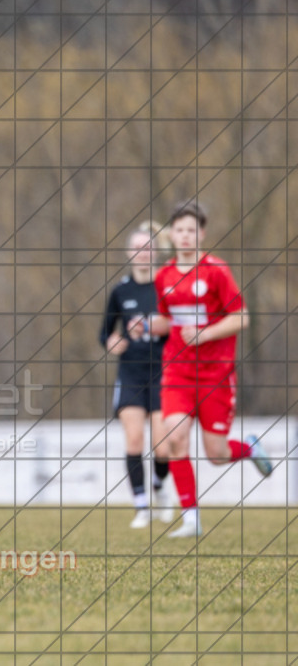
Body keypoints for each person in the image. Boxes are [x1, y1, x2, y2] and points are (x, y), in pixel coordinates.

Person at [130, 200, 272, 538]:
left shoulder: (216, 271)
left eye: (191, 230)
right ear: (172, 235)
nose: (185, 236)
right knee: (174, 439)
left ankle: (249, 448)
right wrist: (147, 325)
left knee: (217, 455)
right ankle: (191, 519)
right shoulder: (163, 276)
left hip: (215, 375)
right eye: (179, 230)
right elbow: (169, 320)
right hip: (177, 373)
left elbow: (242, 317)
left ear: (201, 234)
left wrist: (206, 333)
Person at [101, 222, 174, 529]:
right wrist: (113, 343)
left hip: (163, 371)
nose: (143, 254)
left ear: (156, 252)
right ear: (129, 253)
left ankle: (159, 488)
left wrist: (156, 326)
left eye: (148, 248)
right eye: (137, 249)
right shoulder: (121, 291)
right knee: (133, 439)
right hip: (130, 372)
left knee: (163, 446)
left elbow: (178, 326)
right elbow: (105, 333)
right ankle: (141, 506)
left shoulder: (167, 286)